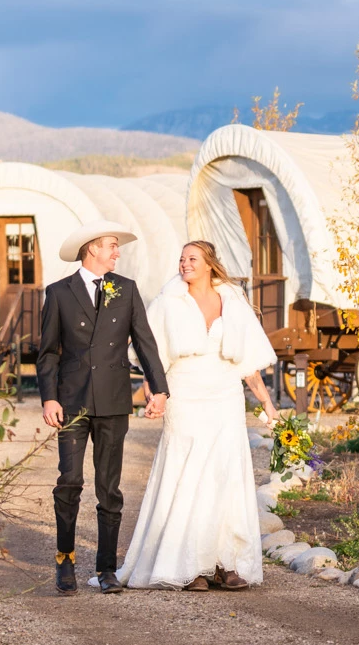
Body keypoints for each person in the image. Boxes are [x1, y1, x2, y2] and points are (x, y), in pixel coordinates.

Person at [117, 240, 279, 591]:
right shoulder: (167, 302)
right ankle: (191, 567)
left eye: (192, 258)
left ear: (209, 264)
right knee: (187, 473)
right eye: (181, 259)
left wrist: (266, 403)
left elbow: (248, 363)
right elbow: (151, 356)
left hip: (224, 395)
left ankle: (228, 564)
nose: (184, 263)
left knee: (226, 476)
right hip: (185, 393)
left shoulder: (233, 302)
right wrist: (155, 395)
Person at [37, 221, 169, 595]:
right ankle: (65, 561)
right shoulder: (59, 292)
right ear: (92, 248)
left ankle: (107, 569)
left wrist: (159, 389)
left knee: (109, 488)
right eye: (112, 245)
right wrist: (49, 397)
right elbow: (47, 353)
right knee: (70, 481)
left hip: (112, 400)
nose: (117, 251)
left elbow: (145, 343)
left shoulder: (125, 289)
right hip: (72, 402)